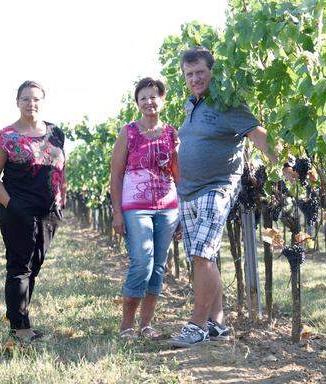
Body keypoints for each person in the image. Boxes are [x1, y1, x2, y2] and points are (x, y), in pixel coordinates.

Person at [169, 47, 286, 347]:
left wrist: (285, 163)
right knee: (200, 258)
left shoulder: (228, 103)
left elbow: (257, 134)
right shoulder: (190, 104)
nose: (195, 78)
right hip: (189, 191)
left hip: (216, 187)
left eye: (200, 72)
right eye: (189, 74)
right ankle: (217, 323)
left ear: (212, 72)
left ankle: (196, 324)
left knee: (202, 255)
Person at [0, 80, 66, 342]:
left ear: (43, 102)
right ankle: (19, 329)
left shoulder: (56, 133)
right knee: (19, 266)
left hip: (48, 211)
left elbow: (59, 169)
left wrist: (60, 201)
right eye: (26, 99)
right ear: (17, 102)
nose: (31, 103)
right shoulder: (6, 136)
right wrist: (12, 205)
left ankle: (19, 320)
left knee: (35, 265)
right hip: (18, 208)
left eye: (36, 99)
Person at [110, 77, 180, 340]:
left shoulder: (172, 133)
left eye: (153, 96)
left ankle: (146, 325)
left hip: (168, 207)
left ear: (162, 99)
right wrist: (117, 212)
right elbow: (116, 175)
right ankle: (127, 325)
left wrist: (181, 211)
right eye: (143, 98)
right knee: (142, 261)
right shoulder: (128, 132)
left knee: (159, 265)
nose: (149, 101)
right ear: (137, 103)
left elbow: (177, 173)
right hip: (135, 207)